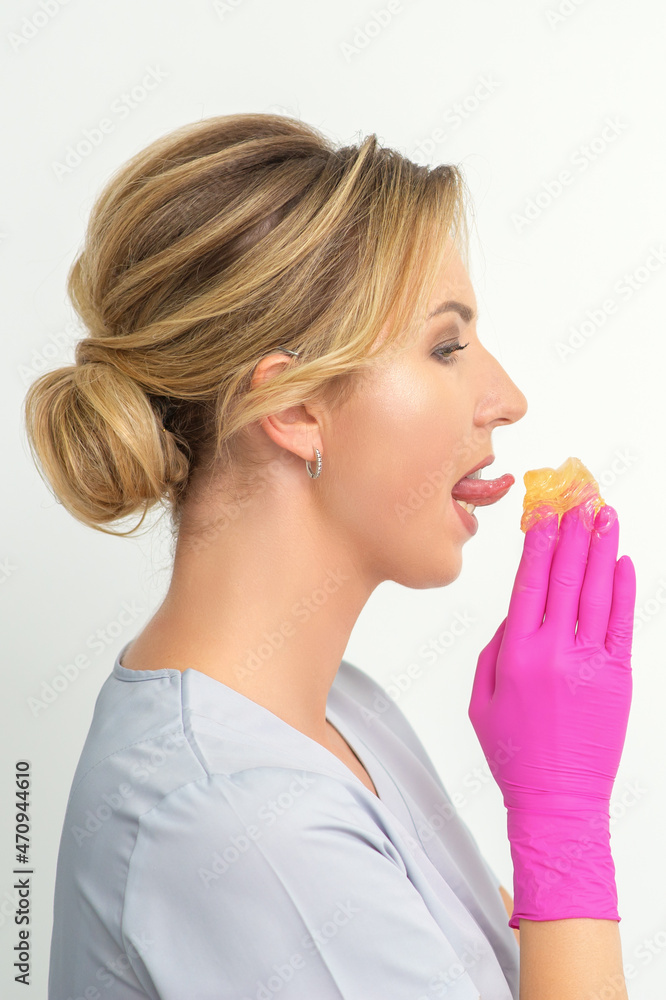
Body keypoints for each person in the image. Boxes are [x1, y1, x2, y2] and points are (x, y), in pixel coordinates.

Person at [23, 113, 635, 1000]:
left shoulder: (340, 708)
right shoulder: (234, 815)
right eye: (446, 347)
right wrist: (564, 816)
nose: (507, 398)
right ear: (294, 410)